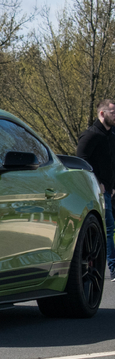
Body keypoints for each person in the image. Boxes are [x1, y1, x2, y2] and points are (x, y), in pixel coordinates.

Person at [77, 99, 115, 281]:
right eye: (113, 112)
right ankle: (112, 269)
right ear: (102, 114)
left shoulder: (112, 135)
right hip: (95, 192)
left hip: (108, 191)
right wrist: (97, 182)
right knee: (108, 227)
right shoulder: (90, 136)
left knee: (108, 228)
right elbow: (81, 162)